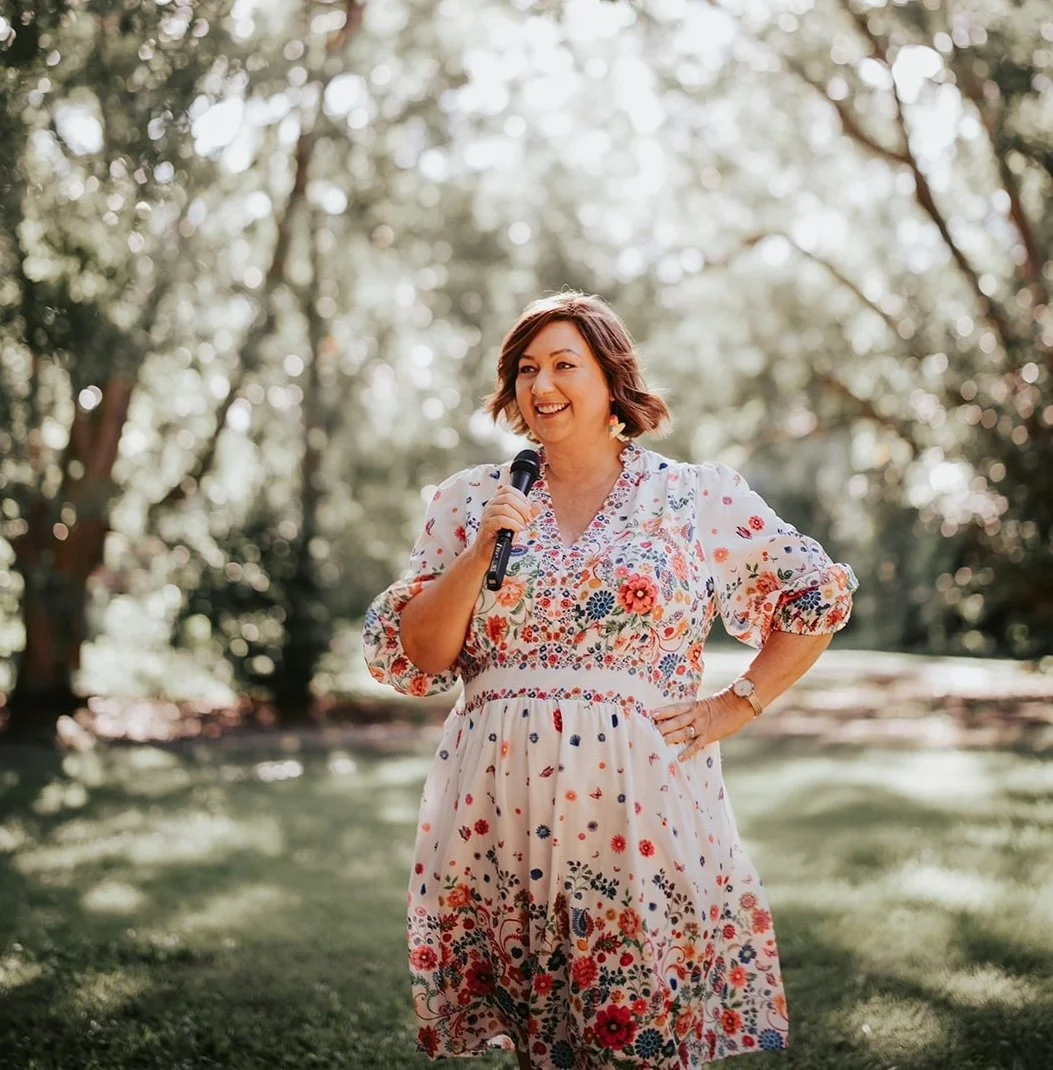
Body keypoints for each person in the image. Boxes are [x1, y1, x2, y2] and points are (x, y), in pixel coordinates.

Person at [363, 291, 858, 1068]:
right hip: (499, 795)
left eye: (565, 364)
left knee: (633, 1020)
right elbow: (421, 654)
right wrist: (483, 542)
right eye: (526, 369)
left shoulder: (692, 495)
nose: (541, 385)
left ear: (610, 380)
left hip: (638, 791)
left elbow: (815, 594)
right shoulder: (468, 500)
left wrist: (739, 703)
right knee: (537, 1028)